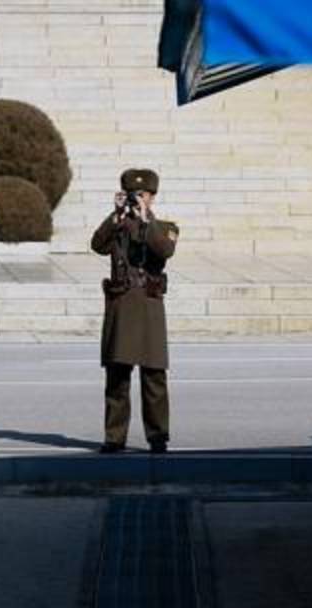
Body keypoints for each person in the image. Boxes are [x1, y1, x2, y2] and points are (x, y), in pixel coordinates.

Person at [91, 168, 180, 454]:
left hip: (150, 305)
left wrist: (145, 218)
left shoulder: (165, 226)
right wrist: (115, 215)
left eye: (143, 195)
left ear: (152, 197)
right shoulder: (118, 224)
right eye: (134, 194)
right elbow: (97, 245)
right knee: (117, 375)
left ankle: (158, 436)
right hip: (121, 303)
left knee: (154, 376)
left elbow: (163, 250)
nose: (138, 198)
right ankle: (114, 437)